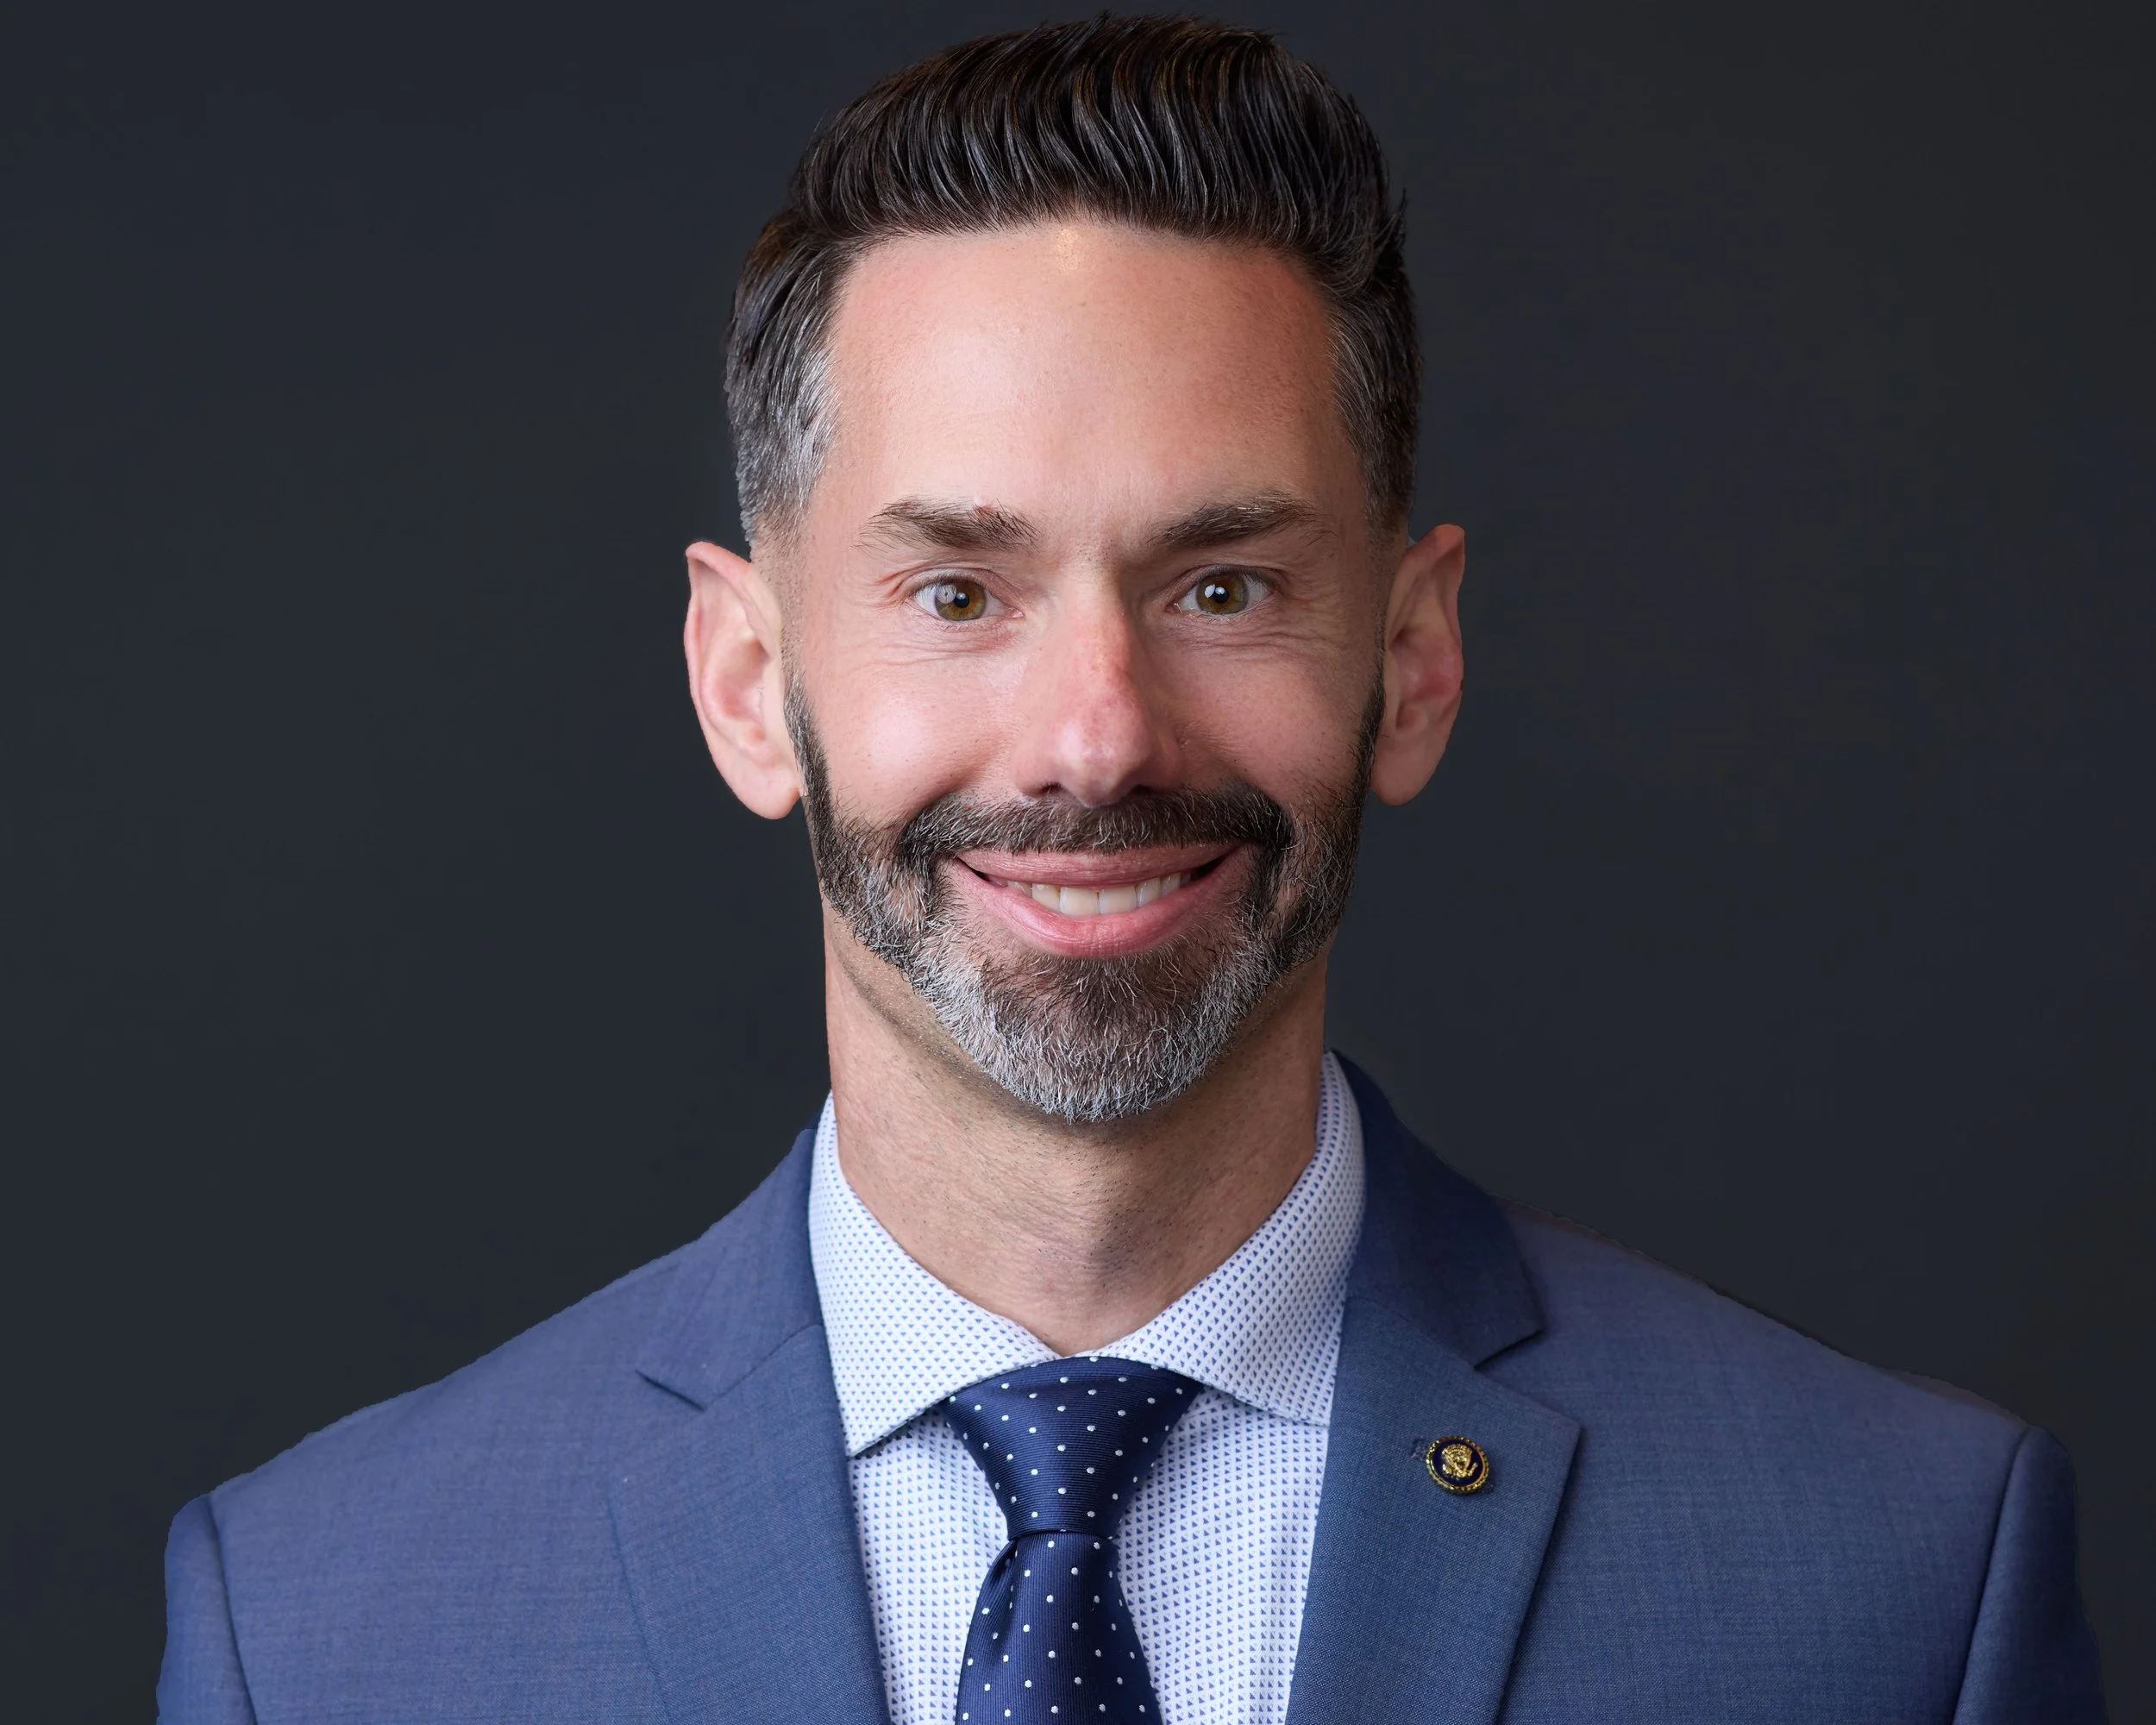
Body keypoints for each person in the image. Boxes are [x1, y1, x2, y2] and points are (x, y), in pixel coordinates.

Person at [157, 16, 2103, 1722]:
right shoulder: (322, 1623)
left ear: (1408, 664)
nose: (1097, 733)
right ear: (751, 685)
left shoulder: (1894, 1581)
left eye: (1221, 583)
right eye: (955, 590)